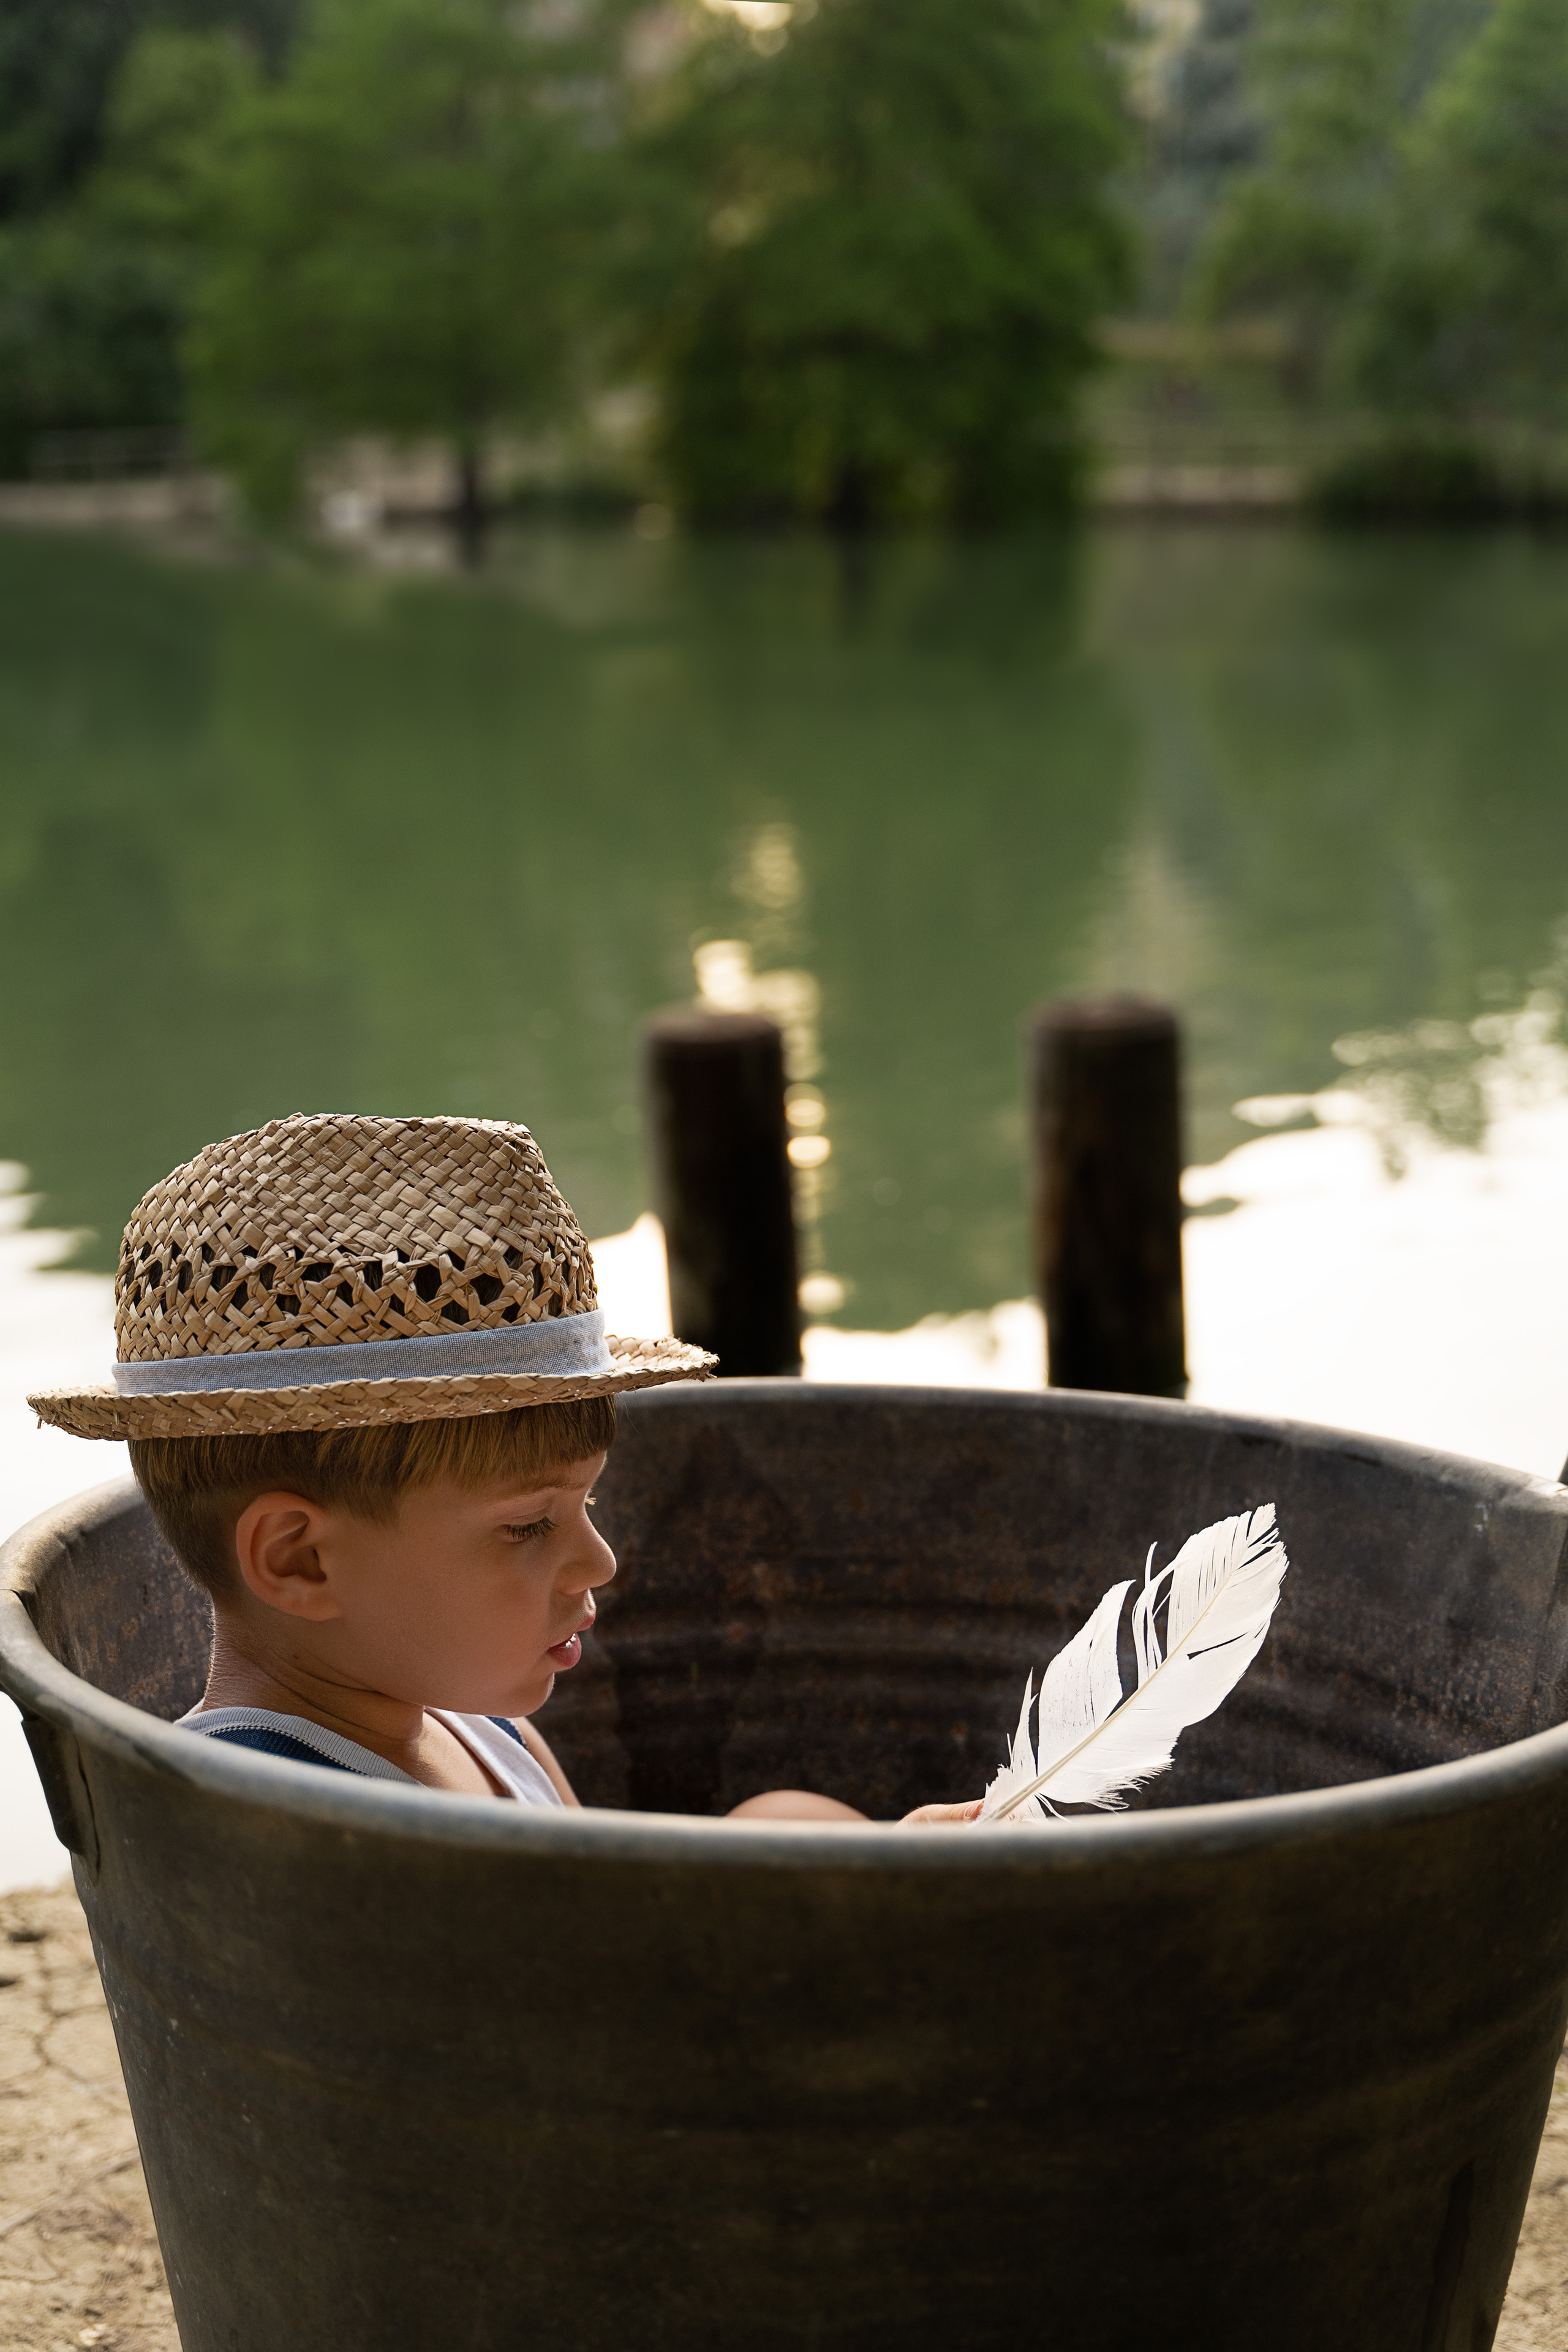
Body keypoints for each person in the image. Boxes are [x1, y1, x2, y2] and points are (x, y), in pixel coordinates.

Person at [30, 1110, 979, 1827]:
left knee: (787, 1824)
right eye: (530, 1523)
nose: (600, 1562)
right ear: (300, 1561)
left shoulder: (480, 1728)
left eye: (587, 1502)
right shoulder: (279, 1823)